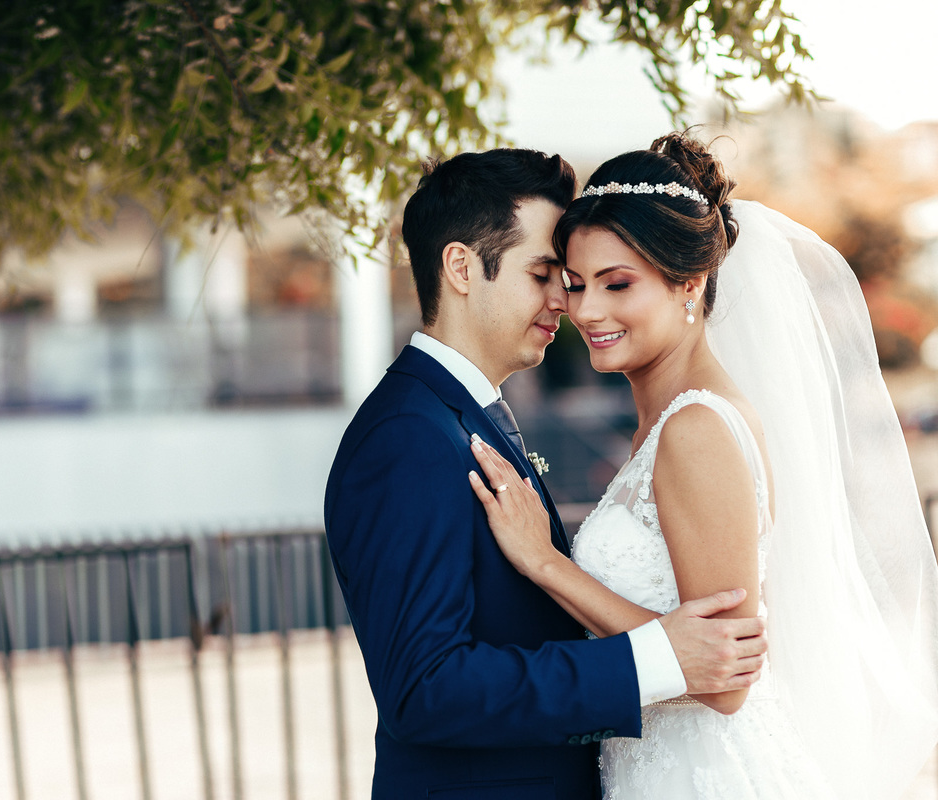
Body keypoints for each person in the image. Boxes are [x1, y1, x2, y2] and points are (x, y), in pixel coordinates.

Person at [469, 133, 938, 799]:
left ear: (688, 282)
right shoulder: (670, 422)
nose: (586, 310)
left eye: (617, 283)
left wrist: (546, 564)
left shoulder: (695, 429)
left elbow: (725, 680)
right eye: (575, 285)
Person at [324, 148, 770, 800]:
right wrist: (658, 659)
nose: (570, 302)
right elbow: (424, 689)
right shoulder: (408, 437)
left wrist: (549, 566)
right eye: (547, 274)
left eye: (596, 280)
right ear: (461, 267)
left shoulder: (472, 416)